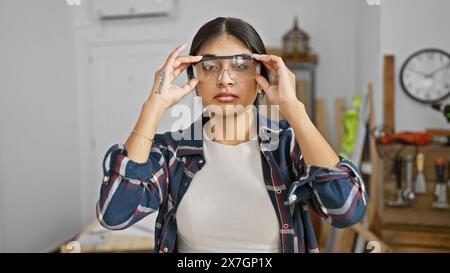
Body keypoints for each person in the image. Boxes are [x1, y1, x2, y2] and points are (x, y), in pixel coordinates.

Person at [96, 17, 367, 253]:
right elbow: (115, 214)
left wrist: (293, 109)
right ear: (195, 83)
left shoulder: (288, 146)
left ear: (261, 79)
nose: (225, 79)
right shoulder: (171, 152)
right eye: (211, 67)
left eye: (240, 65)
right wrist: (153, 105)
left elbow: (346, 210)